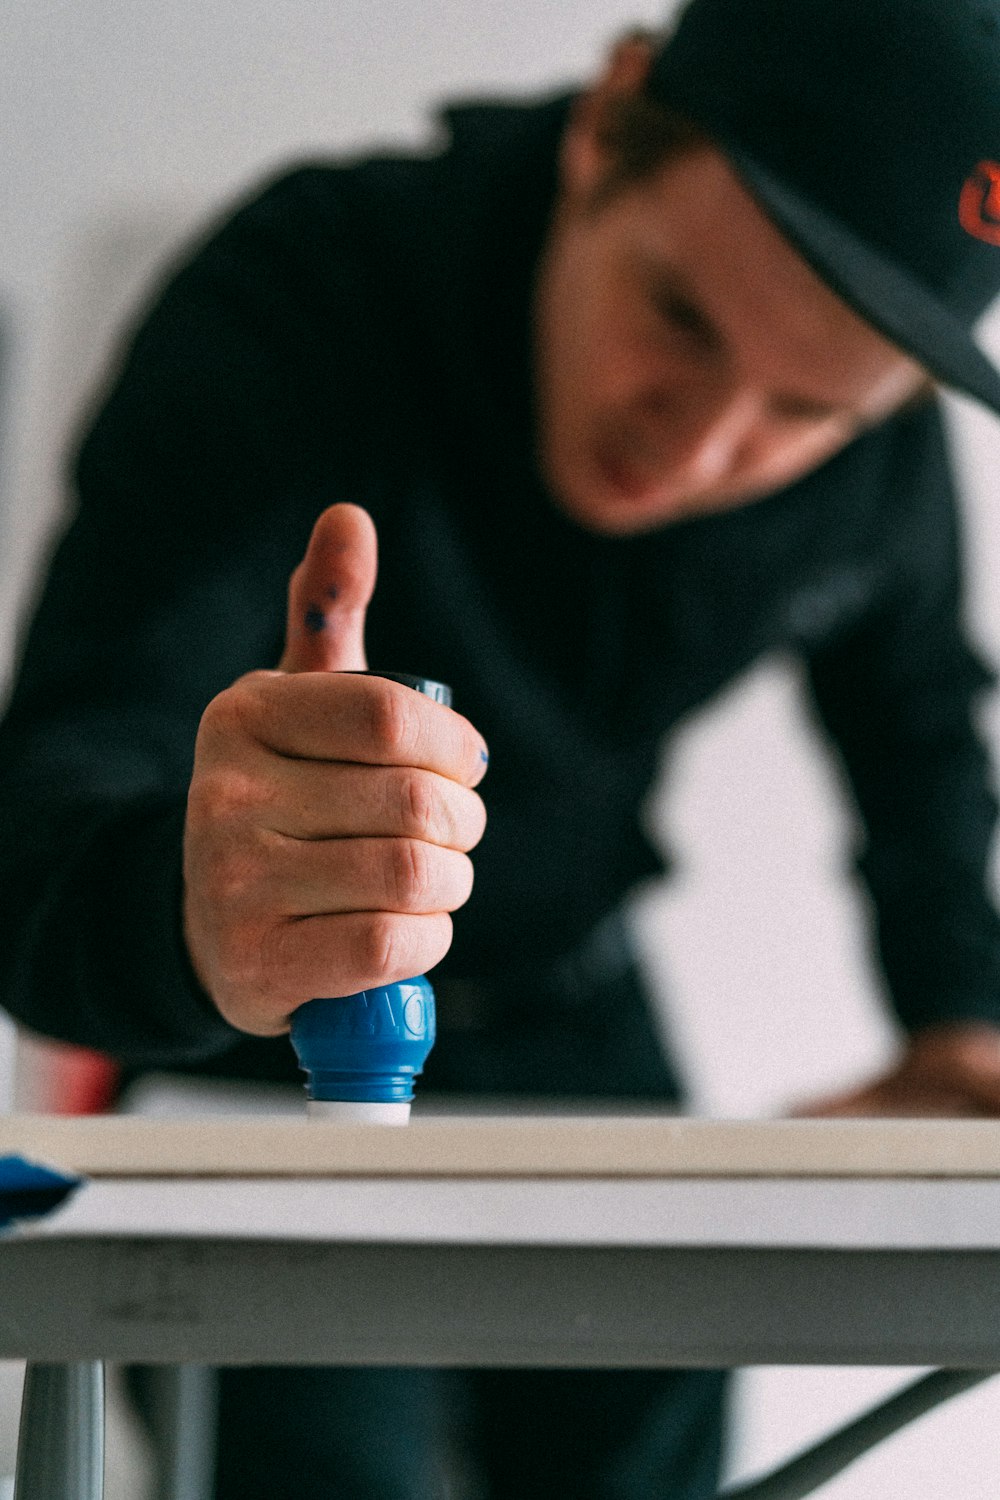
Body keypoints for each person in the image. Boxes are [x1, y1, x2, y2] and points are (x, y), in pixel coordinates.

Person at [3, 0, 1000, 1493]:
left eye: (805, 411)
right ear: (606, 123)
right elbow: (44, 820)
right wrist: (198, 915)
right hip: (264, 1035)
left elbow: (920, 736)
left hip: (574, 992)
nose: (702, 449)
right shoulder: (305, 294)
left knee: (657, 1457)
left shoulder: (878, 462)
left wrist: (959, 1026)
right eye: (678, 318)